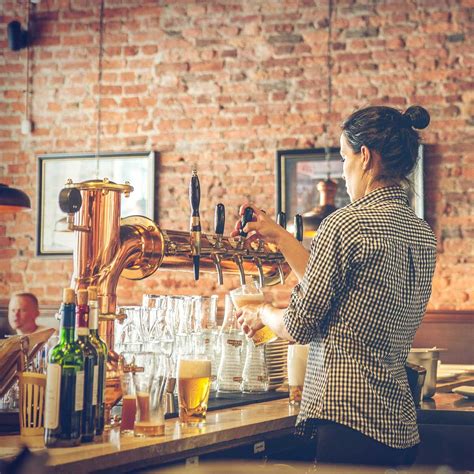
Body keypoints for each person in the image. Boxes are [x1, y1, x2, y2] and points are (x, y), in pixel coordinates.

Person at [233, 105, 436, 467]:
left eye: (344, 158)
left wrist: (263, 311)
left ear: (365, 157)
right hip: (399, 425)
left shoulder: (345, 224)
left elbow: (298, 326)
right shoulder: (421, 232)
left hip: (349, 424)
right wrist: (279, 237)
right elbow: (335, 284)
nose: (343, 172)